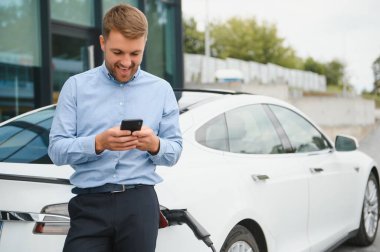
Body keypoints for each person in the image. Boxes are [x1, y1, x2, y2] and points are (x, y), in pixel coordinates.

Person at [48, 4, 182, 252]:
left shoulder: (161, 90)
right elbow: (56, 150)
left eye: (135, 54)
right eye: (118, 52)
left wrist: (155, 145)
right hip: (89, 204)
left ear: (144, 45)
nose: (126, 62)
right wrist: (98, 143)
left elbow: (174, 151)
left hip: (139, 204)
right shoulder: (75, 87)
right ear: (102, 42)